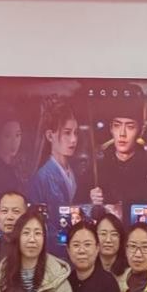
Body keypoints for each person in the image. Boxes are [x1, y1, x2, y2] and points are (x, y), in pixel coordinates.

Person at [28, 102, 101, 241]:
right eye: (67, 133)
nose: (73, 139)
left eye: (75, 133)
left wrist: (91, 204)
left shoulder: (76, 173)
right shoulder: (41, 178)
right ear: (50, 136)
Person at [92, 94, 147, 210]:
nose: (122, 134)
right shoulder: (96, 169)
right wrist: (91, 202)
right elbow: (74, 210)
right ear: (111, 128)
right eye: (117, 125)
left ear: (141, 131)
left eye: (130, 127)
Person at [0, 190, 27, 276]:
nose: (9, 217)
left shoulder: (33, 248)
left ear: (26, 216)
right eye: (4, 211)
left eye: (16, 211)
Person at [96, 212, 129, 279]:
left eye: (114, 234)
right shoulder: (87, 268)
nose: (108, 240)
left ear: (121, 238)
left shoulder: (129, 272)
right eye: (103, 234)